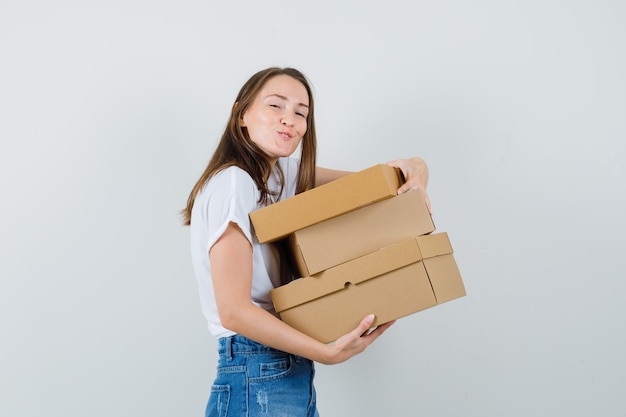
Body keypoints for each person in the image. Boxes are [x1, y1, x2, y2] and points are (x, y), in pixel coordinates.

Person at [182, 67, 429, 417]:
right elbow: (234, 311)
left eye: (301, 113)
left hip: (280, 369)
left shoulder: (281, 176)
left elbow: (376, 183)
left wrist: (417, 167)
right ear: (241, 116)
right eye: (275, 106)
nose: (289, 120)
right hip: (257, 367)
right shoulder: (234, 182)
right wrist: (324, 353)